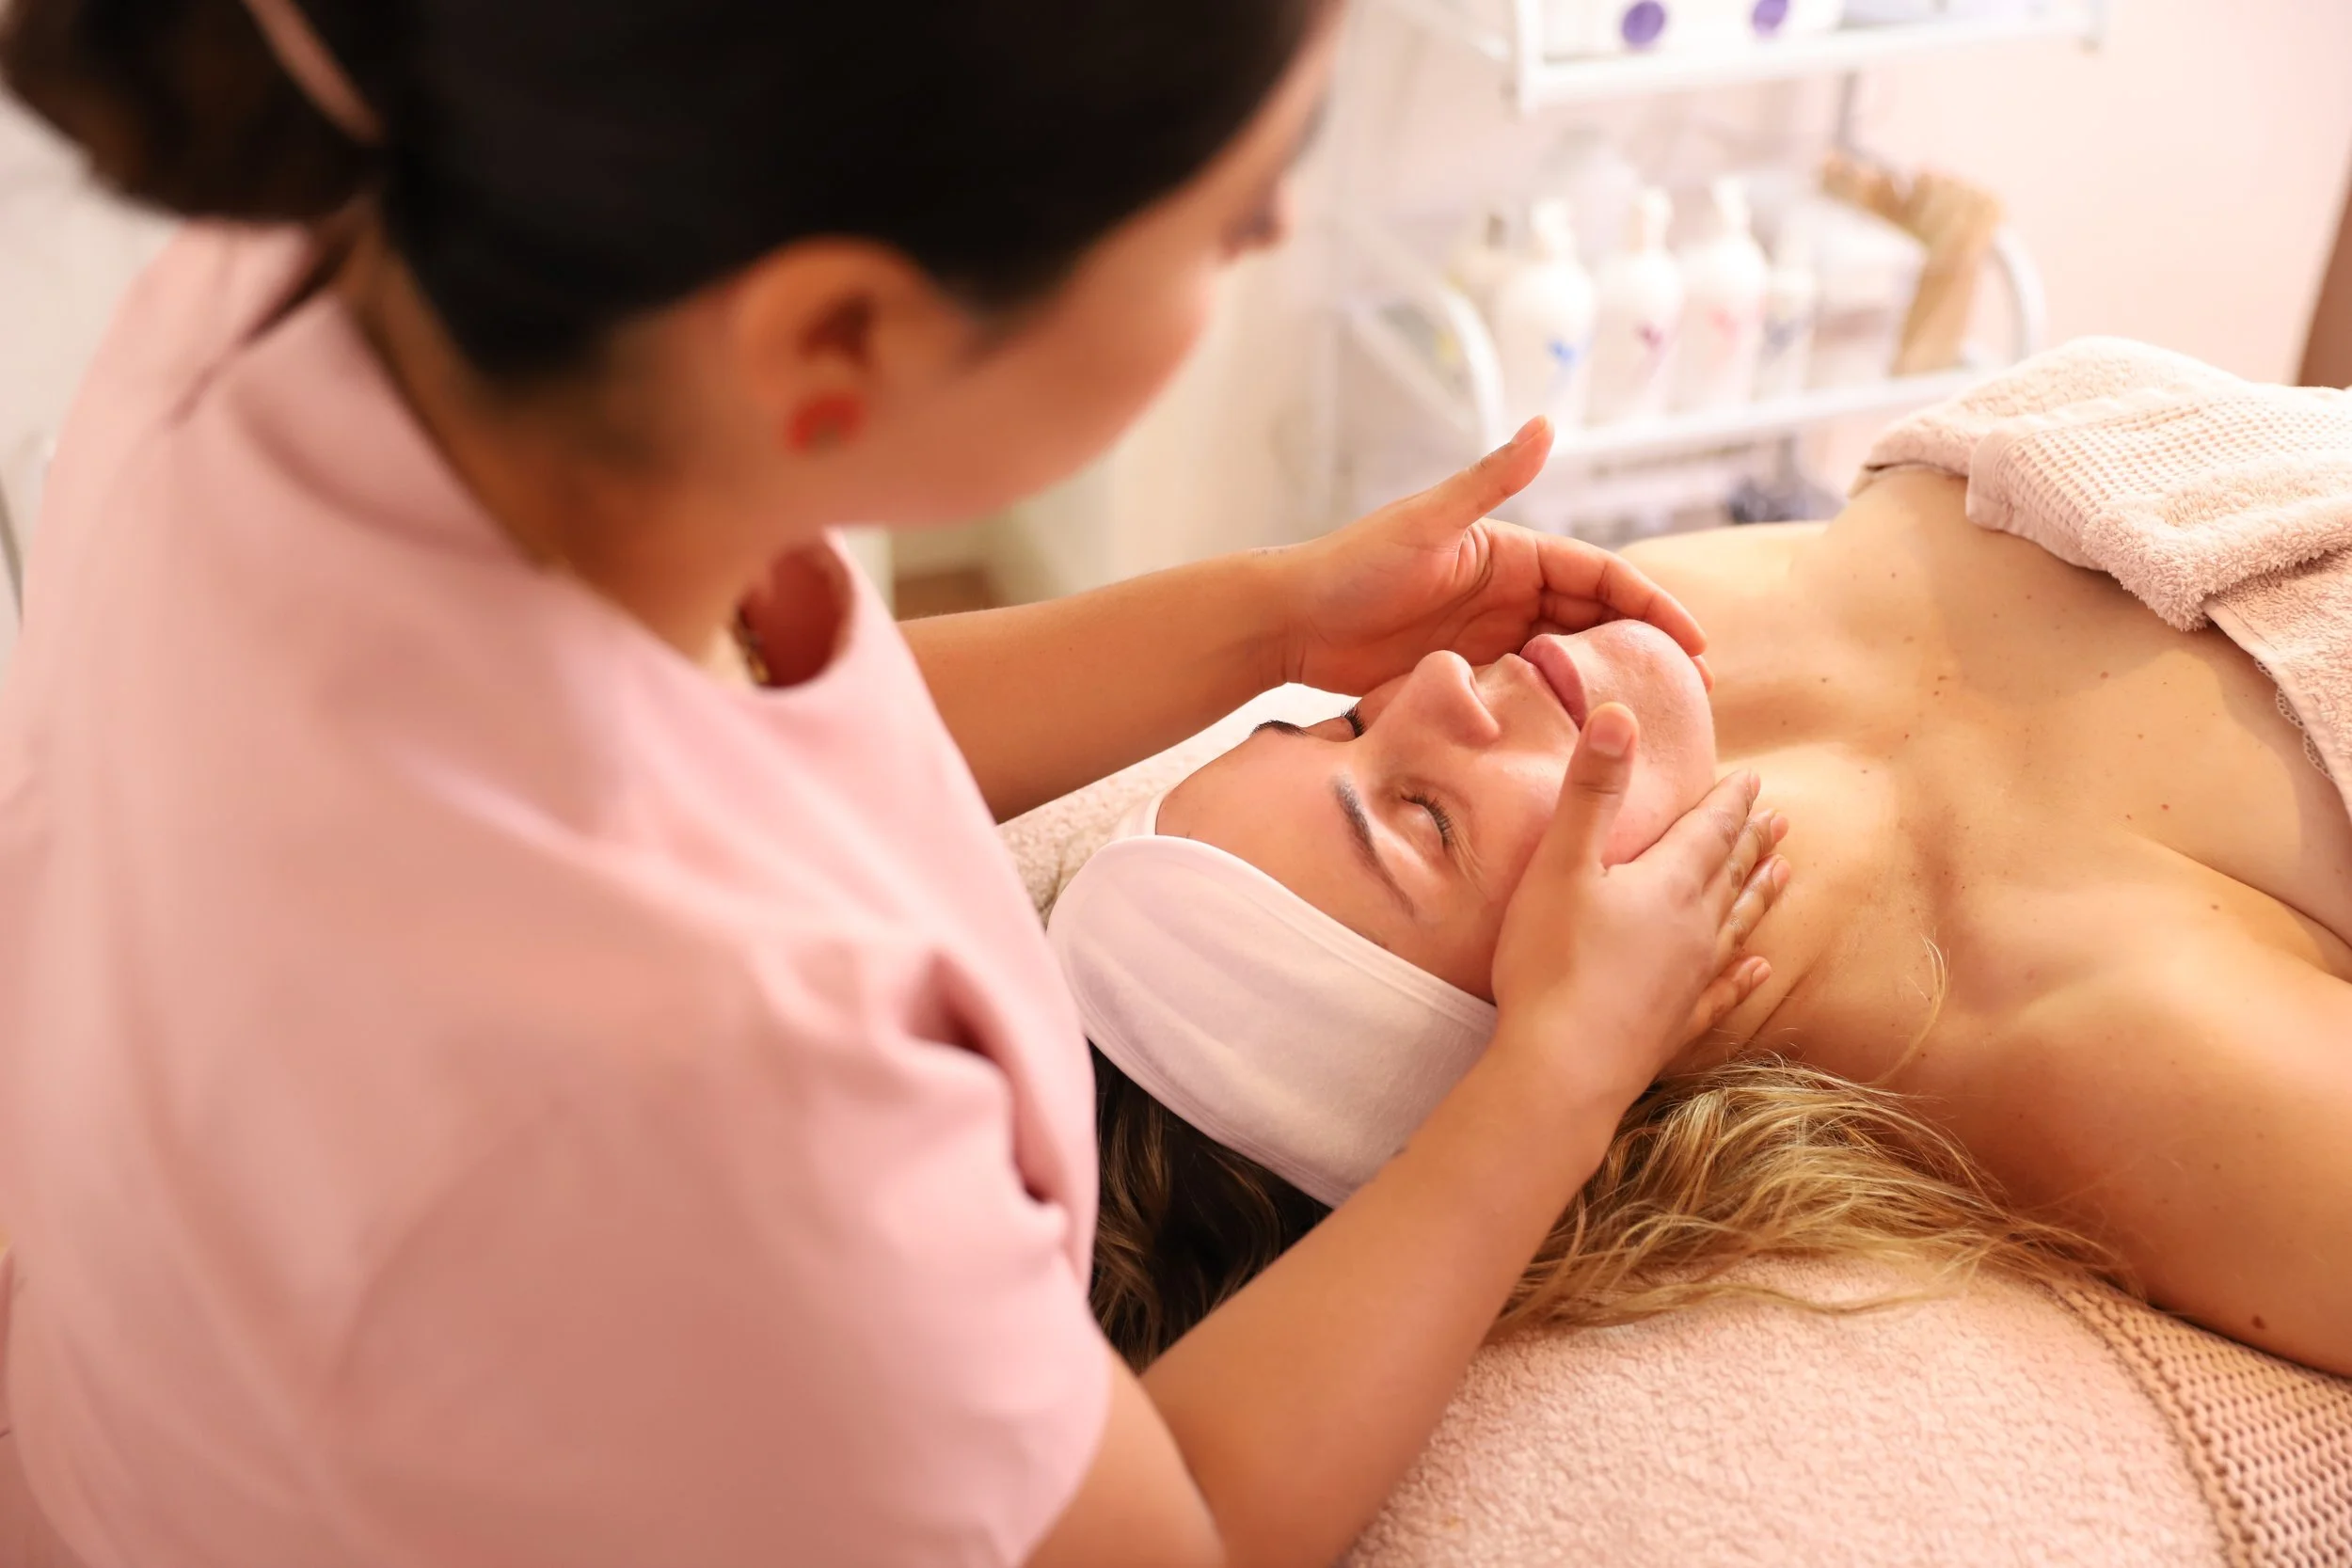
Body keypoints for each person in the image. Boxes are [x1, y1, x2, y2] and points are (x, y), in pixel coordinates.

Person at [0, 3, 1792, 1565]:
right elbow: (1170, 1534)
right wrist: (1559, 1072)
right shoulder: (745, 1102)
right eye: (1228, 220)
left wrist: (1272, 623)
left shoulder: (321, 287)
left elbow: (733, 729)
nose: (1273, 232)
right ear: (839, 338)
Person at [1058, 465, 2352, 1381]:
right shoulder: (2090, 1041)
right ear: (1554, 1030)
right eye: (1425, 819)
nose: (1437, 681)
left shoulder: (1636, 633)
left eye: (1340, 721)